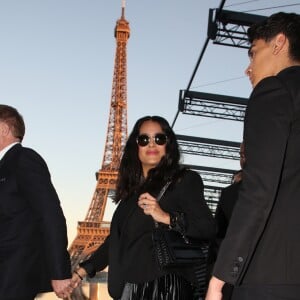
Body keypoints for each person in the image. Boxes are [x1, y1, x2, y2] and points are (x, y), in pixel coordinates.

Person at [206, 12, 300, 300]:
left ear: (279, 43)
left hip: (272, 275)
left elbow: (258, 191)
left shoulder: (273, 91)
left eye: (252, 53)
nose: (248, 68)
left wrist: (219, 278)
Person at [69, 115, 216, 299]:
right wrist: (82, 271)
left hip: (165, 288)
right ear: (135, 147)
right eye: (144, 139)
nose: (152, 144)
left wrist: (166, 217)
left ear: (168, 145)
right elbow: (115, 243)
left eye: (159, 139)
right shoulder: (131, 196)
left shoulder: (183, 180)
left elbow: (207, 227)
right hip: (130, 288)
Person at [0, 105, 72, 300]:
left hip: (13, 274)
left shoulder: (24, 159)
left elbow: (50, 214)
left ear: (4, 129)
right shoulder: (4, 166)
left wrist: (59, 273)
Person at [206, 142, 245, 300]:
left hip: (230, 274)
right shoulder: (229, 194)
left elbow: (217, 239)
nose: (242, 158)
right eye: (241, 155)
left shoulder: (230, 194)